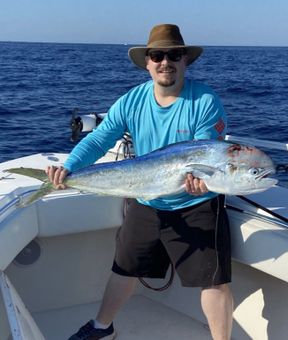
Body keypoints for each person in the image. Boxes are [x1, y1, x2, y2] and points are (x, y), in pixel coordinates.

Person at [47, 24, 233, 340]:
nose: (165, 61)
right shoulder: (132, 101)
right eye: (157, 55)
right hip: (146, 197)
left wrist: (202, 181)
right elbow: (98, 141)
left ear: (185, 60)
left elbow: (204, 152)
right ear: (147, 62)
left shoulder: (204, 101)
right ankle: (102, 327)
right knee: (124, 267)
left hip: (194, 202)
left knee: (212, 280)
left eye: (173, 54)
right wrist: (68, 169)